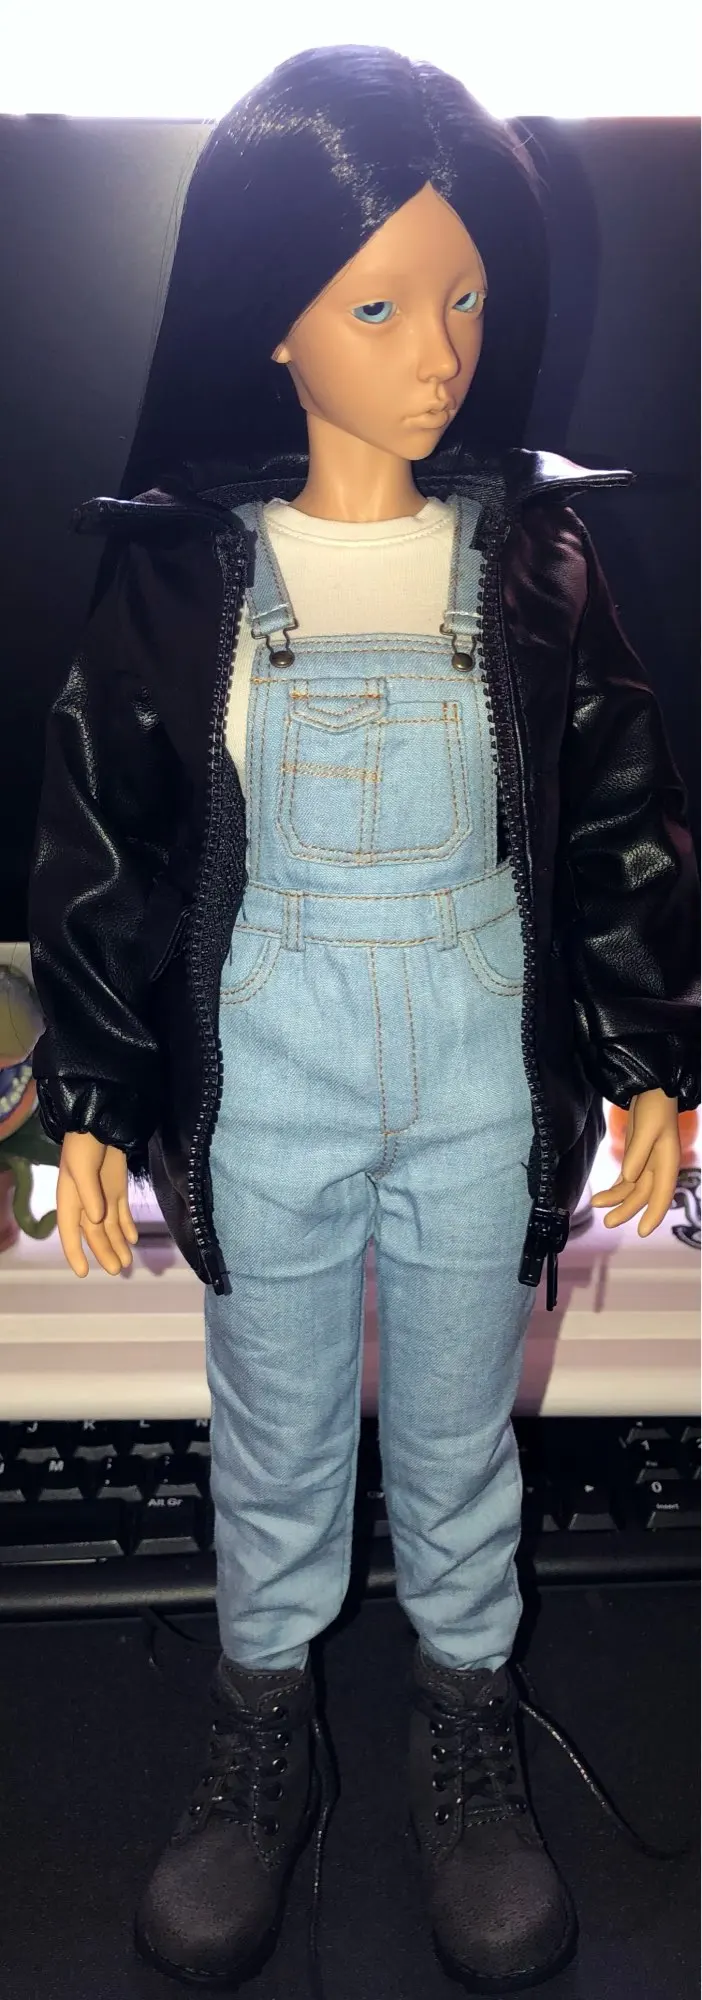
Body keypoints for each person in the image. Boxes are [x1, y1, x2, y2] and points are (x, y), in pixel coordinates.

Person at [27, 44, 700, 1998]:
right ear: (269, 315)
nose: (441, 355)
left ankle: (463, 1722)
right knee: (275, 1424)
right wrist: (92, 1081)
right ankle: (263, 1727)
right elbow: (106, 835)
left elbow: (615, 814)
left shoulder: (537, 558)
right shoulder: (181, 571)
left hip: (480, 1072)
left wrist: (646, 1046)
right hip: (277, 1072)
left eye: (467, 296)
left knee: (462, 1435)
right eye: (381, 304)